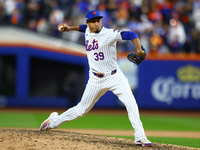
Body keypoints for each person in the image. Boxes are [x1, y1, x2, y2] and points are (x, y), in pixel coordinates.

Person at [40, 10, 152, 147]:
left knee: (131, 103)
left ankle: (140, 136)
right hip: (95, 79)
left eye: (98, 20)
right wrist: (70, 28)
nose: (97, 24)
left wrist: (139, 49)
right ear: (88, 23)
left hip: (115, 77)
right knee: (81, 110)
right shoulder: (87, 30)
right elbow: (83, 28)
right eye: (93, 21)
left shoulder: (109, 34)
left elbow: (131, 34)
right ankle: (53, 122)